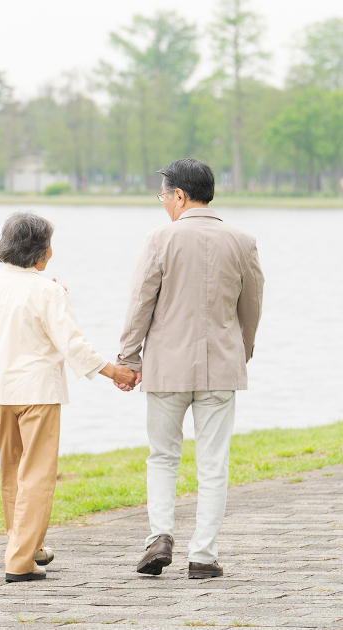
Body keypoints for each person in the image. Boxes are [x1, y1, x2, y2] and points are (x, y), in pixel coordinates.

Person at [116, 158, 264, 579]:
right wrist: (243, 348)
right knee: (214, 462)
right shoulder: (243, 241)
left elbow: (140, 303)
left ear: (179, 195)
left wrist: (128, 358)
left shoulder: (160, 238)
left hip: (166, 365)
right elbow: (252, 305)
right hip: (222, 364)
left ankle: (159, 536)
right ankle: (203, 555)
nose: (163, 203)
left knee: (163, 457)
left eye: (164, 195)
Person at [0, 212, 135, 583]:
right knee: (36, 475)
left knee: (12, 472)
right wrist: (113, 371)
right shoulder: (48, 290)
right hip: (36, 391)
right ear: (40, 253)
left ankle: (26, 545)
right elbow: (72, 344)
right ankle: (19, 561)